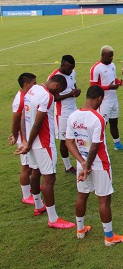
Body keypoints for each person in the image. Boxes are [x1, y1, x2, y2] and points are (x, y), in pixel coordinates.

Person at [65, 85, 123, 245]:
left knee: (82, 195)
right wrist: (87, 166)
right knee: (104, 200)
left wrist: (82, 163)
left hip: (82, 162)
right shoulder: (98, 118)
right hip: (99, 164)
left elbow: (69, 142)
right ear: (100, 99)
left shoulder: (73, 116)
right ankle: (109, 237)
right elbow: (95, 145)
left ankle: (80, 230)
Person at [14, 75, 75, 229]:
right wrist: (27, 144)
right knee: (49, 179)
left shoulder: (32, 89)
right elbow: (38, 123)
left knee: (35, 172)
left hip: (31, 141)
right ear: (56, 85)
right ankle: (53, 219)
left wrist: (26, 141)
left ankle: (38, 205)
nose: (57, 94)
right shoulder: (47, 96)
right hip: (43, 143)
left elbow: (23, 116)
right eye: (59, 90)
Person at [49, 55, 81, 174]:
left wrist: (76, 91)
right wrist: (70, 94)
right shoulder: (54, 77)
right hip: (62, 113)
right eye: (68, 68)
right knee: (64, 139)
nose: (70, 71)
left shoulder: (72, 73)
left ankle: (81, 160)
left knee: (77, 135)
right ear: (62, 65)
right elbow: (52, 98)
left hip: (73, 109)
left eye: (72, 68)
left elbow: (74, 86)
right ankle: (67, 166)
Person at [8, 73, 37, 205]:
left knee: (30, 164)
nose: (35, 86)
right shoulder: (20, 99)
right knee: (26, 166)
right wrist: (15, 136)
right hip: (23, 138)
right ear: (26, 84)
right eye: (33, 83)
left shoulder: (27, 96)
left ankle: (30, 187)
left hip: (27, 135)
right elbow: (15, 121)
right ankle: (26, 196)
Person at [90, 46, 123, 150]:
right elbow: (93, 86)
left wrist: (120, 82)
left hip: (114, 99)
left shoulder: (112, 65)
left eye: (112, 56)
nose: (111, 59)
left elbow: (113, 78)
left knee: (114, 122)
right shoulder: (96, 68)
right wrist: (108, 87)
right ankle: (99, 145)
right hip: (103, 101)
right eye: (109, 56)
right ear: (103, 55)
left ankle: (117, 144)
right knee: (102, 125)